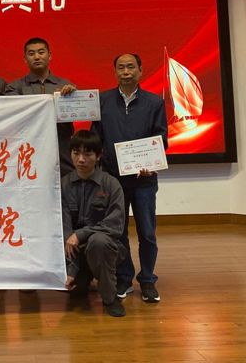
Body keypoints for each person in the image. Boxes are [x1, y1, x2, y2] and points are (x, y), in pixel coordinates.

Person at [91, 53, 168, 304]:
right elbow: (96, 139)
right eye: (121, 67)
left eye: (131, 67)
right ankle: (124, 278)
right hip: (113, 181)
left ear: (140, 71)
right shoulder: (102, 101)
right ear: (115, 72)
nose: (126, 72)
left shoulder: (154, 102)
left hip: (144, 180)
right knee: (118, 231)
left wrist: (151, 163)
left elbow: (161, 138)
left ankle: (147, 280)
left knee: (147, 232)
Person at [62, 130, 126, 317]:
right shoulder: (64, 185)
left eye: (88, 154)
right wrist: (71, 269)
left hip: (104, 248)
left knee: (98, 241)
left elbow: (114, 226)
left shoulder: (111, 185)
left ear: (98, 156)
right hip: (74, 251)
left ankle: (110, 298)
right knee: (75, 290)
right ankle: (82, 277)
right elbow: (65, 228)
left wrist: (81, 234)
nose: (81, 159)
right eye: (76, 153)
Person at [4, 37, 77, 176]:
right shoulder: (14, 87)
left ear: (50, 55)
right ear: (25, 59)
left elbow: (75, 115)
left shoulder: (65, 86)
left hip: (61, 150)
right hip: (27, 149)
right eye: (31, 54)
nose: (37, 57)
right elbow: (15, 117)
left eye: (41, 52)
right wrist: (51, 100)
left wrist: (73, 98)